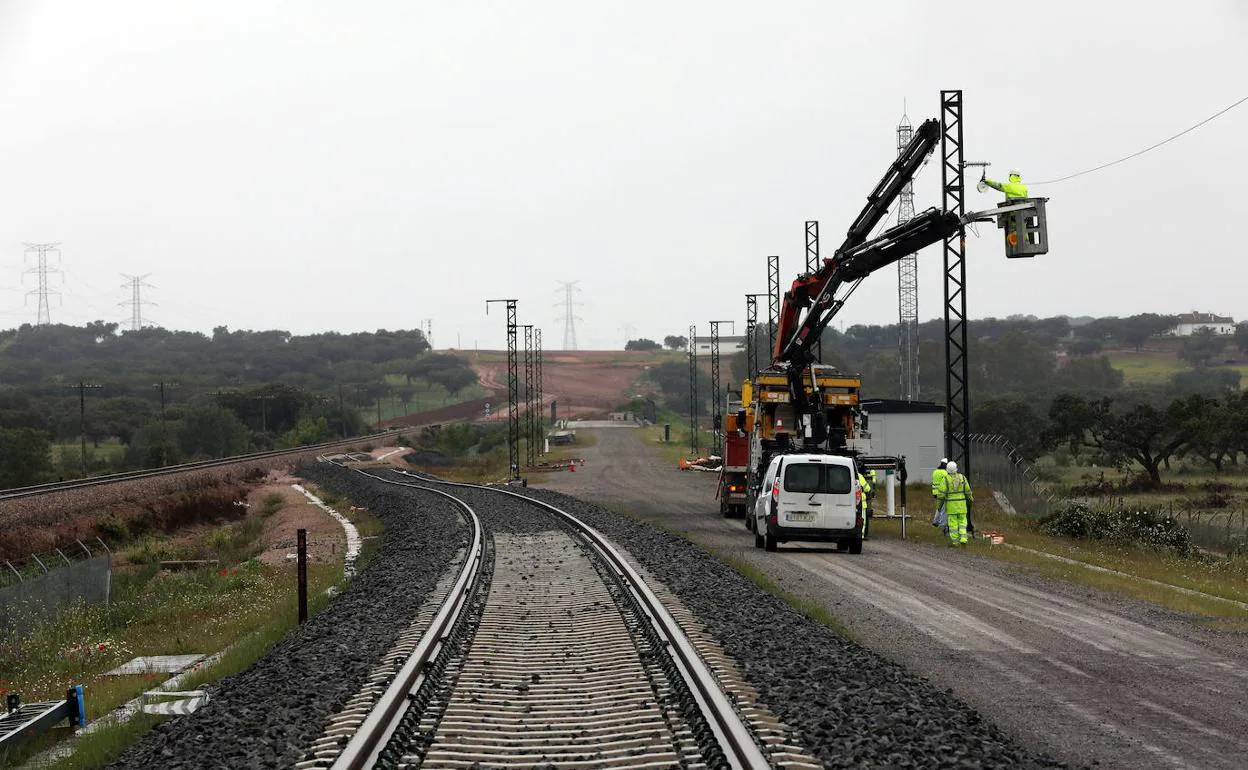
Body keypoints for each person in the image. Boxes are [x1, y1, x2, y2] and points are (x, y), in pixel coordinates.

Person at [939, 461, 974, 546]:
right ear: (956, 469)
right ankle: (963, 539)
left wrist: (939, 506)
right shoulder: (962, 478)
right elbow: (968, 491)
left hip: (951, 507)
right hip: (962, 506)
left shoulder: (945, 479)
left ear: (947, 470)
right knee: (962, 523)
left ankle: (955, 542)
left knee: (953, 524)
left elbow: (941, 495)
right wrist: (971, 500)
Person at [930, 458, 949, 528]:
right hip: (942, 492)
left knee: (939, 507)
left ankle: (935, 521)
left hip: (935, 492)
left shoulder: (935, 471)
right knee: (944, 508)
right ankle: (942, 523)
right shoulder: (945, 472)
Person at [857, 469, 874, 539]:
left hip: (847, 503)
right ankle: (861, 535)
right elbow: (867, 488)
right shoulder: (859, 476)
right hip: (861, 503)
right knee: (862, 520)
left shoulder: (844, 474)